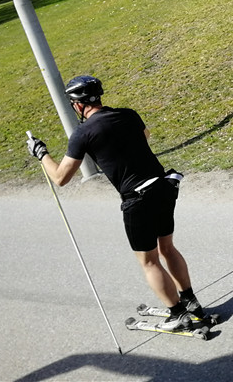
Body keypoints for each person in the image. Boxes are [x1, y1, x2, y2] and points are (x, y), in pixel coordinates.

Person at [26, 75, 205, 330]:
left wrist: (40, 153)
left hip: (137, 200)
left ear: (77, 105)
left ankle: (177, 314)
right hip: (163, 187)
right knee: (168, 248)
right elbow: (145, 135)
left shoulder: (83, 133)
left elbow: (60, 178)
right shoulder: (128, 114)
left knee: (149, 261)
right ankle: (190, 302)